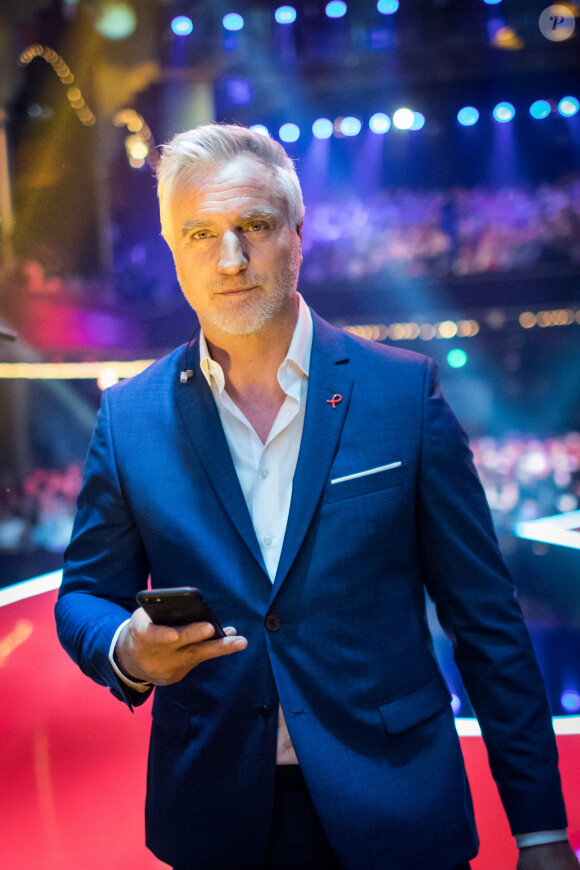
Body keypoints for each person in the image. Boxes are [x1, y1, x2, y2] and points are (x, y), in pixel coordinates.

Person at [55, 123, 578, 870]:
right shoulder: (129, 417)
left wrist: (541, 830)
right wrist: (125, 650)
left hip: (400, 808)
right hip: (213, 814)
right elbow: (82, 596)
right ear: (173, 252)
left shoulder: (403, 393)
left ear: (300, 235)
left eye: (255, 227)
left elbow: (486, 621)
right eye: (201, 233)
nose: (230, 259)